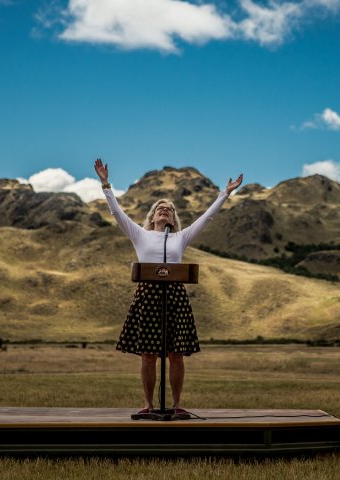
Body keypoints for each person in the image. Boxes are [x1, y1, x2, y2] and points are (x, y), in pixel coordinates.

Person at [94, 158, 243, 416]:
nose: (165, 210)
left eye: (169, 209)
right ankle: (149, 405)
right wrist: (106, 184)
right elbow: (117, 213)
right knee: (148, 354)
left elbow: (207, 218)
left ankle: (176, 405)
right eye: (160, 208)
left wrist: (224, 194)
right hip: (148, 296)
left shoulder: (180, 238)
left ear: (174, 219)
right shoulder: (140, 235)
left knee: (176, 354)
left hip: (174, 296)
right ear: (152, 216)